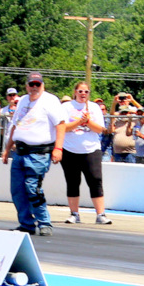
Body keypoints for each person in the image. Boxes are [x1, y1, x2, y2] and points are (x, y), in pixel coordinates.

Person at [0, 71, 65, 236]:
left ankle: (44, 222)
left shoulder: (50, 101)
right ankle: (26, 223)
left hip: (39, 153)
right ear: (27, 85)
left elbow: (61, 125)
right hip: (20, 152)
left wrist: (58, 148)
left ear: (42, 85)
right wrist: (7, 149)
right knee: (18, 190)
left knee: (32, 188)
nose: (34, 87)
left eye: (38, 84)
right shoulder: (22, 100)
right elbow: (15, 126)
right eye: (31, 84)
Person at [59, 81, 111, 225]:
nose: (83, 94)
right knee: (72, 182)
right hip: (70, 149)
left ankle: (101, 214)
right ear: (75, 92)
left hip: (91, 149)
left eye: (86, 92)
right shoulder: (66, 107)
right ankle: (74, 214)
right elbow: (63, 127)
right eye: (80, 91)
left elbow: (100, 129)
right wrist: (78, 122)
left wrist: (87, 122)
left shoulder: (94, 108)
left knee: (95, 180)